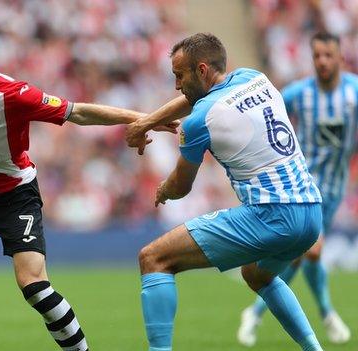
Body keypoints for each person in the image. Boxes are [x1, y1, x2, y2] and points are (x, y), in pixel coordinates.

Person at [0, 8, 176, 351]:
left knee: (33, 285)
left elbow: (79, 112)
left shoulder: (13, 94)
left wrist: (146, 119)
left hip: (14, 197)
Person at [125, 33, 326, 351]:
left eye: (180, 76)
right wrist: (147, 122)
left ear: (201, 70)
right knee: (256, 275)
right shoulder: (254, 77)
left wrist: (163, 190)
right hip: (311, 214)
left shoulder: (199, 121)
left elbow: (181, 186)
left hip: (271, 215)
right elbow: (197, 98)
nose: (177, 85)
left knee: (153, 259)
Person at [238, 31, 353, 347]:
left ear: (340, 58)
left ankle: (256, 312)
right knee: (311, 250)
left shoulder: (354, 94)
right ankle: (327, 314)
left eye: (328, 55)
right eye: (317, 56)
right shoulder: (299, 94)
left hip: (334, 191)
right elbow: (265, 111)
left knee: (300, 259)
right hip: (303, 189)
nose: (322, 62)